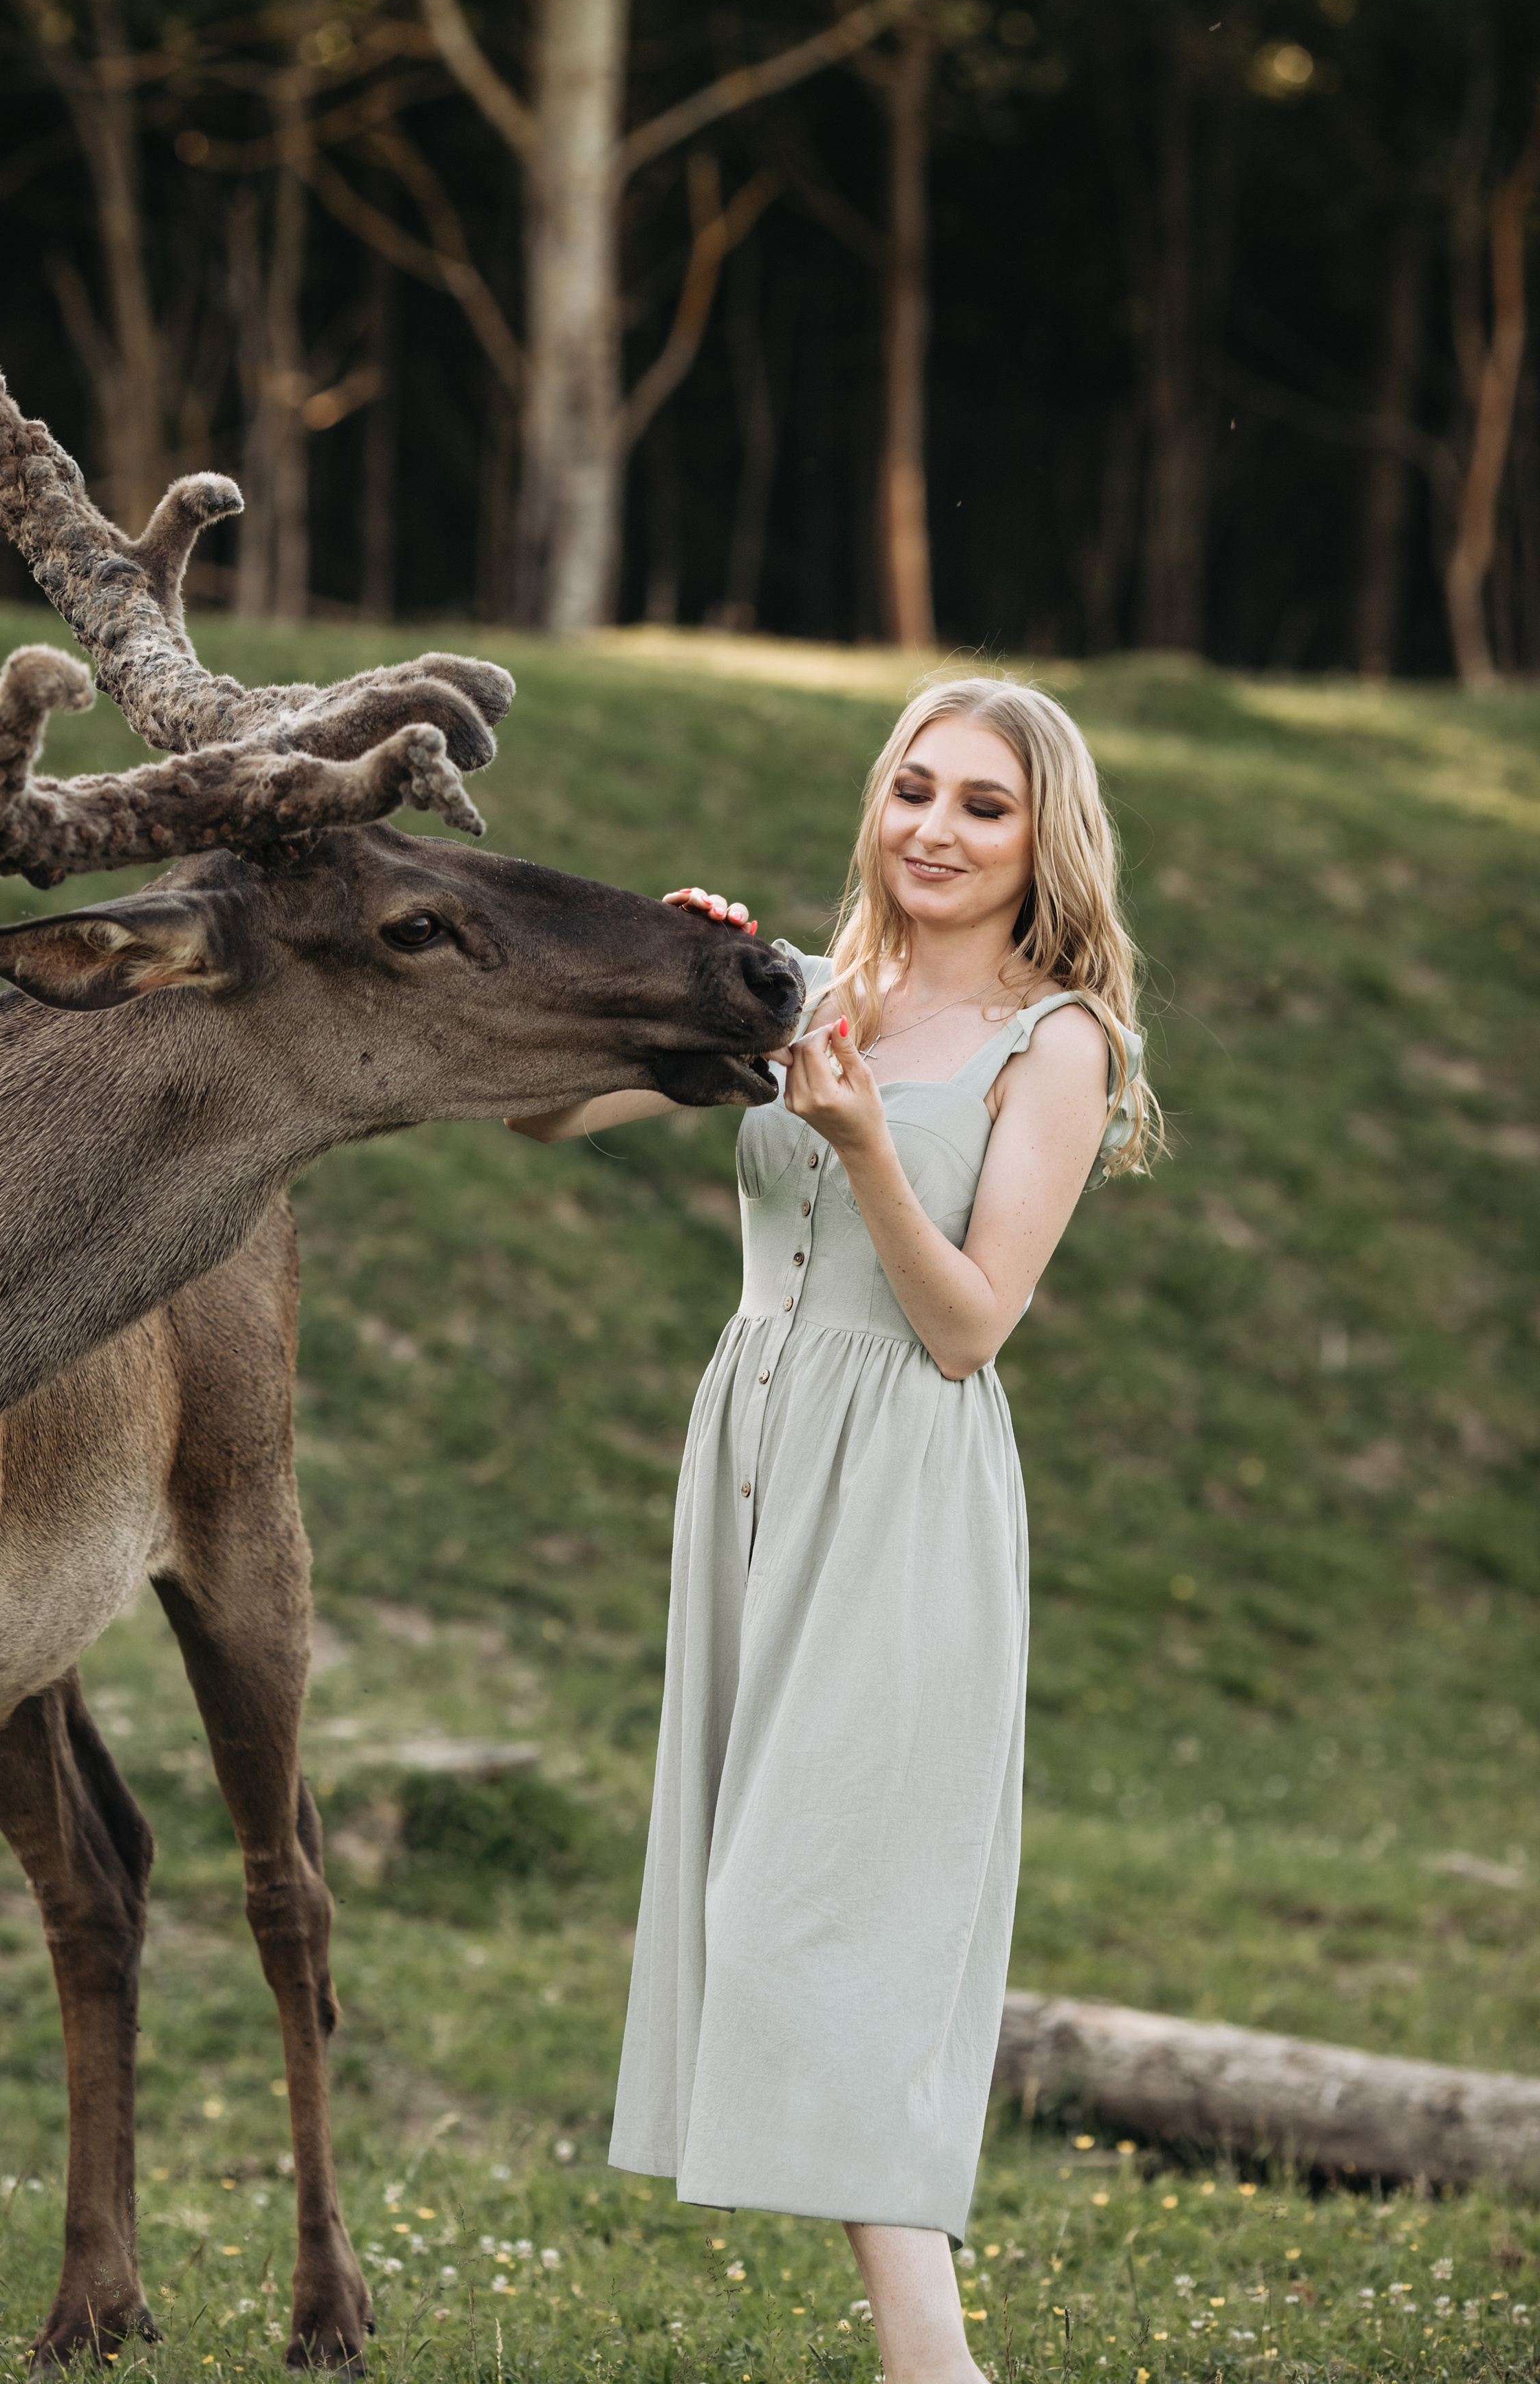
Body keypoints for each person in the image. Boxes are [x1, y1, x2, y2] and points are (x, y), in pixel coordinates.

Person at [506, 676, 1159, 2384]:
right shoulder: (805, 992)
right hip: (751, 1464)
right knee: (759, 1902)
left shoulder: (1058, 1043)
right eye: (912, 791)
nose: (933, 830)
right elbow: (543, 1112)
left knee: (824, 1915)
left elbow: (965, 1327)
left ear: (1041, 847)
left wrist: (865, 1139)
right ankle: (926, 2361)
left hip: (903, 1497)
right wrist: (663, 983)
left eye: (982, 808)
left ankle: (930, 2366)